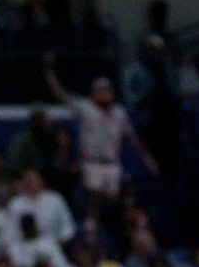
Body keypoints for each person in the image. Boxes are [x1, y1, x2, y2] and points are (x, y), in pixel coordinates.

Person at [43, 67, 158, 219]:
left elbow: (131, 139)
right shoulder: (86, 108)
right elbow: (63, 97)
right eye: (101, 90)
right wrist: (51, 78)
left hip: (112, 163)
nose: (105, 93)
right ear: (94, 93)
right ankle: (92, 229)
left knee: (119, 197)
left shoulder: (119, 112)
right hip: (91, 163)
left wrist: (148, 160)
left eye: (108, 90)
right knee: (94, 197)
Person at [7, 169, 75, 245]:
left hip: (54, 244)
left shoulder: (55, 199)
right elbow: (11, 231)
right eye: (28, 180)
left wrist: (62, 241)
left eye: (34, 179)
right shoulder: (15, 203)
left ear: (41, 180)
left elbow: (67, 224)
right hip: (25, 247)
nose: (31, 183)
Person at [9, 214, 76, 267]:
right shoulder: (18, 247)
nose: (29, 229)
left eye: (31, 225)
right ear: (22, 228)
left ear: (35, 224)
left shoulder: (48, 241)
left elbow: (60, 262)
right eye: (26, 226)